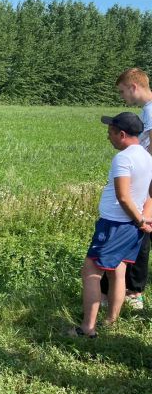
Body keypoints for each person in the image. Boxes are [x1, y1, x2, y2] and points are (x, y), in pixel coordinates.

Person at [71, 112, 152, 338]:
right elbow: (149, 194)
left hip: (115, 225)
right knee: (118, 271)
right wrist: (143, 220)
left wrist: (139, 219)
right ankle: (111, 321)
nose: (108, 137)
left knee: (90, 272)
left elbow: (124, 197)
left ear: (122, 134)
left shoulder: (123, 159)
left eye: (111, 133)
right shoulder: (147, 157)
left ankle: (88, 328)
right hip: (131, 227)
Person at [101, 68, 152, 309]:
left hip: (147, 183)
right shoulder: (147, 110)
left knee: (141, 230)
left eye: (122, 91)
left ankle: (134, 291)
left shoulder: (151, 111)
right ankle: (128, 288)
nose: (123, 97)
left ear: (134, 87)